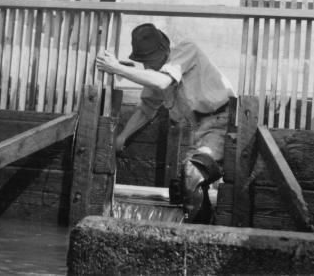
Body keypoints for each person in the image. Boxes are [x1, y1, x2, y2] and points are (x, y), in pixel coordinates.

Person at [96, 23, 235, 223]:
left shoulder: (186, 50)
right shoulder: (156, 73)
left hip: (221, 123)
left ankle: (199, 236)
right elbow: (146, 110)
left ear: (164, 50)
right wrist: (121, 138)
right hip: (198, 130)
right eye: (142, 61)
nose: (146, 65)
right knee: (181, 187)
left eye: (148, 59)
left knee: (192, 175)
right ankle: (199, 230)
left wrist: (117, 68)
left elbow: (162, 81)